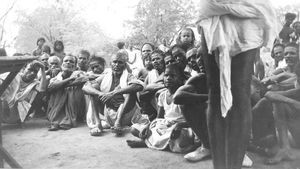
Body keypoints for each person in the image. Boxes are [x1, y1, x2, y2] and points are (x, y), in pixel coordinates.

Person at [197, 1, 276, 168]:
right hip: (213, 12)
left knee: (240, 92)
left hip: (248, 12)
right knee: (215, 91)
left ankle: (234, 166)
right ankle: (219, 166)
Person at [127, 63, 194, 153]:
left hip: (180, 127)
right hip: (165, 126)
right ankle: (156, 142)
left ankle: (147, 143)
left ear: (180, 79)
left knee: (179, 137)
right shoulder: (162, 95)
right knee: (134, 129)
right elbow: (159, 118)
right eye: (166, 75)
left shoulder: (182, 95)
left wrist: (179, 125)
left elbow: (193, 121)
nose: (168, 78)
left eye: (173, 76)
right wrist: (148, 126)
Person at [82, 51, 145, 136]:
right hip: (110, 115)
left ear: (125, 65)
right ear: (110, 64)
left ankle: (118, 122)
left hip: (126, 115)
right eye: (114, 62)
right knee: (94, 89)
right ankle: (98, 124)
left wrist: (113, 93)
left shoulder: (129, 76)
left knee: (130, 90)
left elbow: (139, 86)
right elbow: (85, 87)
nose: (117, 65)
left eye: (120, 62)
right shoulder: (105, 76)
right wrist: (100, 94)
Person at [263, 63, 300, 164]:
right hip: (297, 139)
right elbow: (269, 94)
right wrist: (293, 102)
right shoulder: (297, 91)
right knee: (279, 103)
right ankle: (285, 149)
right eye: (298, 80)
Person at [47, 55, 87, 131]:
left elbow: (83, 79)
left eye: (71, 62)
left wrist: (64, 84)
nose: (68, 63)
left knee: (71, 89)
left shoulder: (79, 73)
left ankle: (67, 120)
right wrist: (70, 79)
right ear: (62, 65)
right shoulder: (56, 76)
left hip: (74, 106)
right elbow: (52, 87)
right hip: (57, 105)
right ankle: (57, 120)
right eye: (66, 61)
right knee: (58, 89)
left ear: (75, 66)